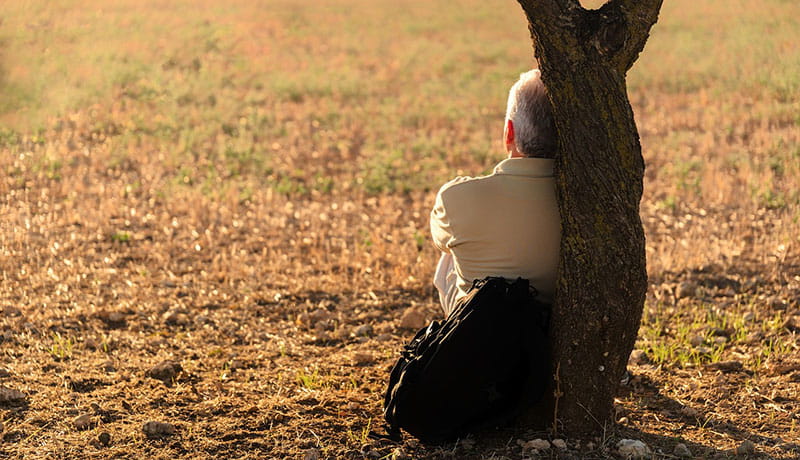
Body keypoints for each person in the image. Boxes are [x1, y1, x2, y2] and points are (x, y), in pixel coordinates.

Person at [430, 69, 561, 317]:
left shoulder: (456, 197)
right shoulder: (585, 202)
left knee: (450, 254)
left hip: (479, 332)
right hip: (549, 330)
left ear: (509, 132)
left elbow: (439, 240)